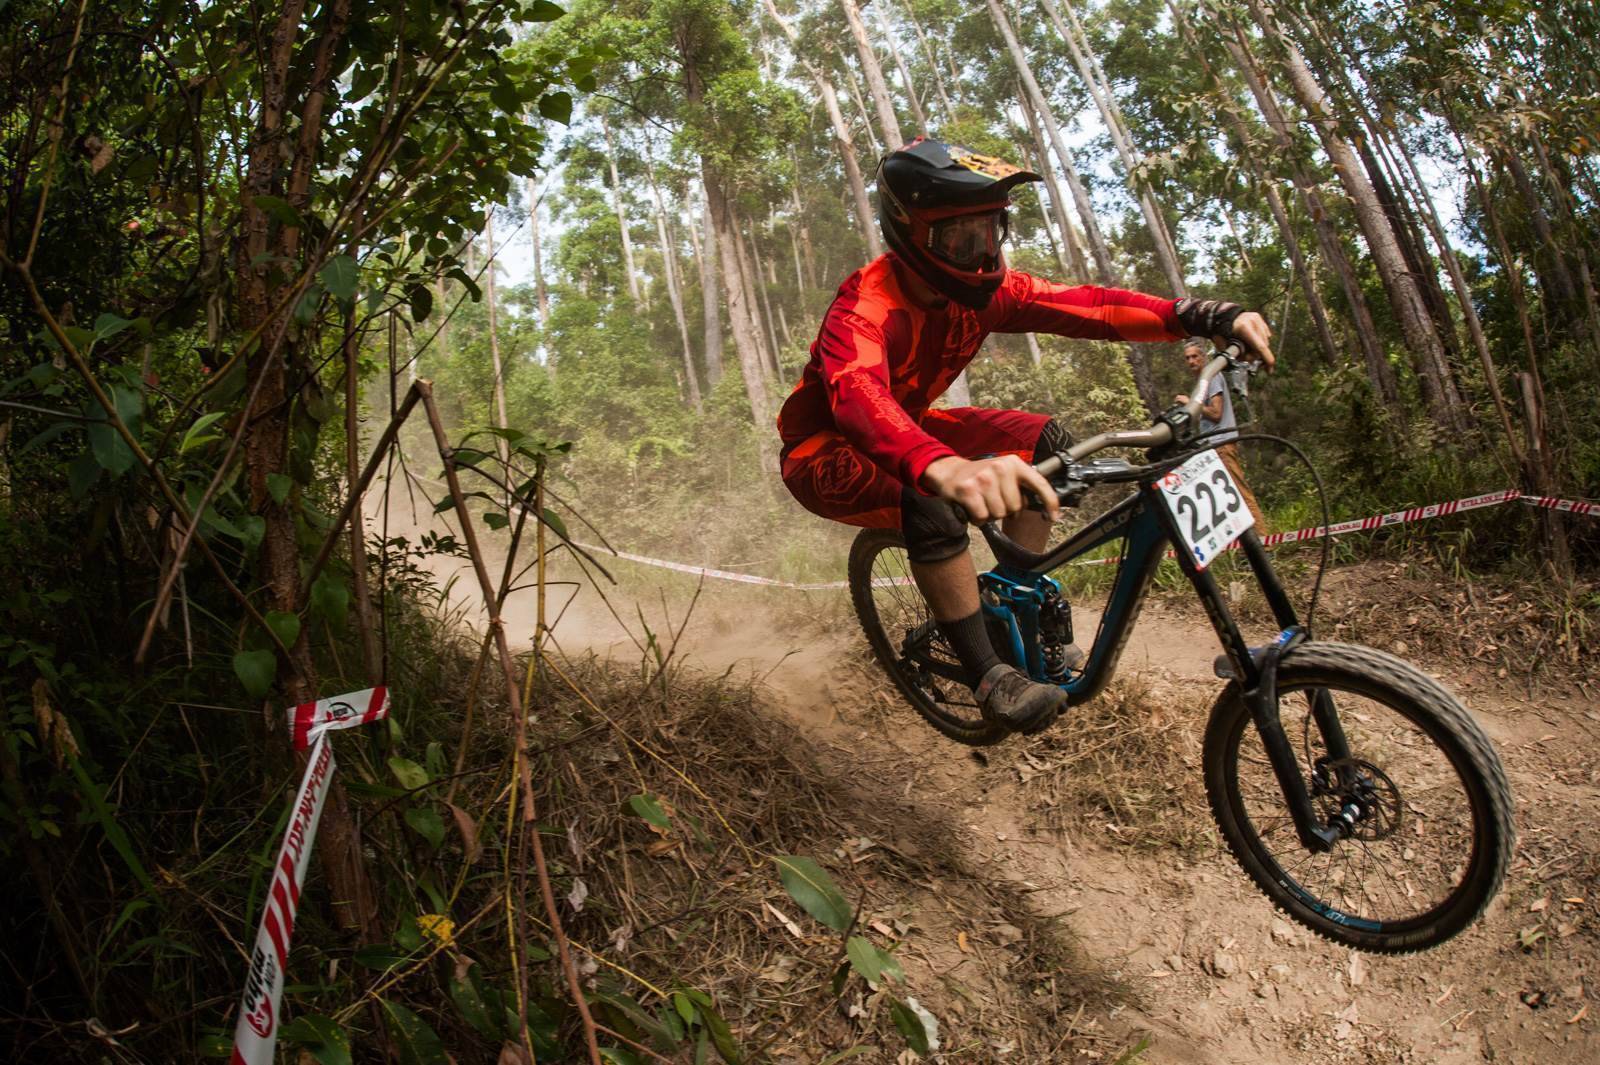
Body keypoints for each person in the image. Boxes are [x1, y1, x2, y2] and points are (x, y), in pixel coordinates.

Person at [776, 137, 1275, 735]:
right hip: (825, 453)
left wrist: (1203, 315)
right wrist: (943, 467)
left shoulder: (993, 294)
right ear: (911, 233)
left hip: (912, 423)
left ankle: (1013, 593)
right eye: (963, 240)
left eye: (993, 232)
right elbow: (857, 395)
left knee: (1049, 445)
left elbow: (1093, 307)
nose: (985, 254)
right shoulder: (865, 306)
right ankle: (989, 675)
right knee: (929, 490)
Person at [1176, 337, 1266, 530]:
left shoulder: (1212, 377)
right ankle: (1243, 545)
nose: (1191, 361)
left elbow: (1216, 413)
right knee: (1224, 499)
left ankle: (1264, 540)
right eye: (1187, 358)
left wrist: (1190, 404)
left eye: (1194, 357)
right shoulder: (1202, 383)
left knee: (1240, 491)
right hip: (1212, 447)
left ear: (1203, 357)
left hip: (1222, 444)